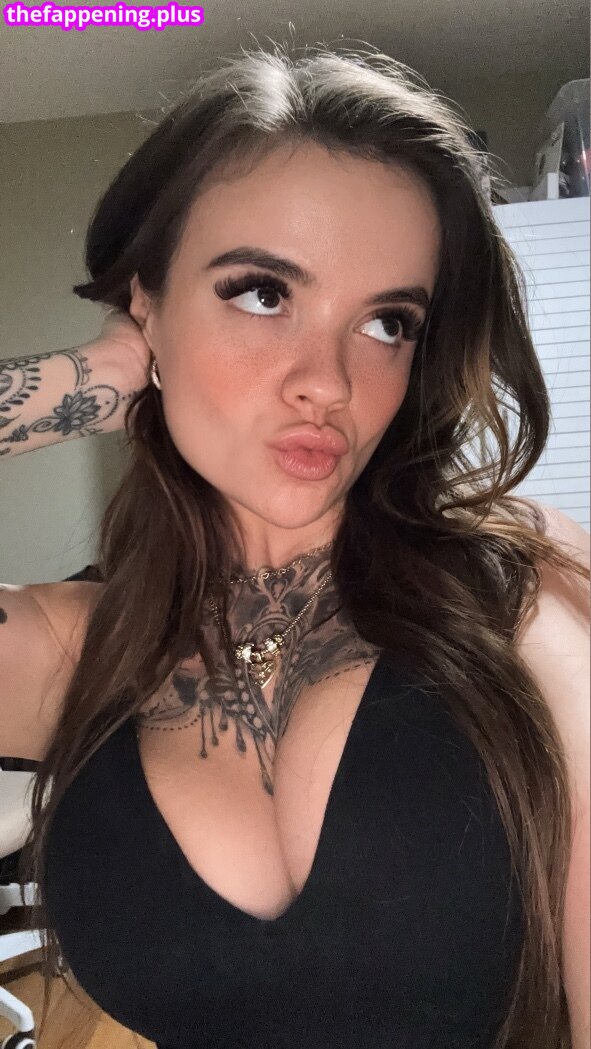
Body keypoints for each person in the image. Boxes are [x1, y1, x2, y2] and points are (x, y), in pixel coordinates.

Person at [0, 43, 589, 1049]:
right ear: (146, 302)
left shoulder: (515, 588)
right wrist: (92, 378)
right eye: (263, 293)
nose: (328, 380)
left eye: (387, 321)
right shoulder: (67, 650)